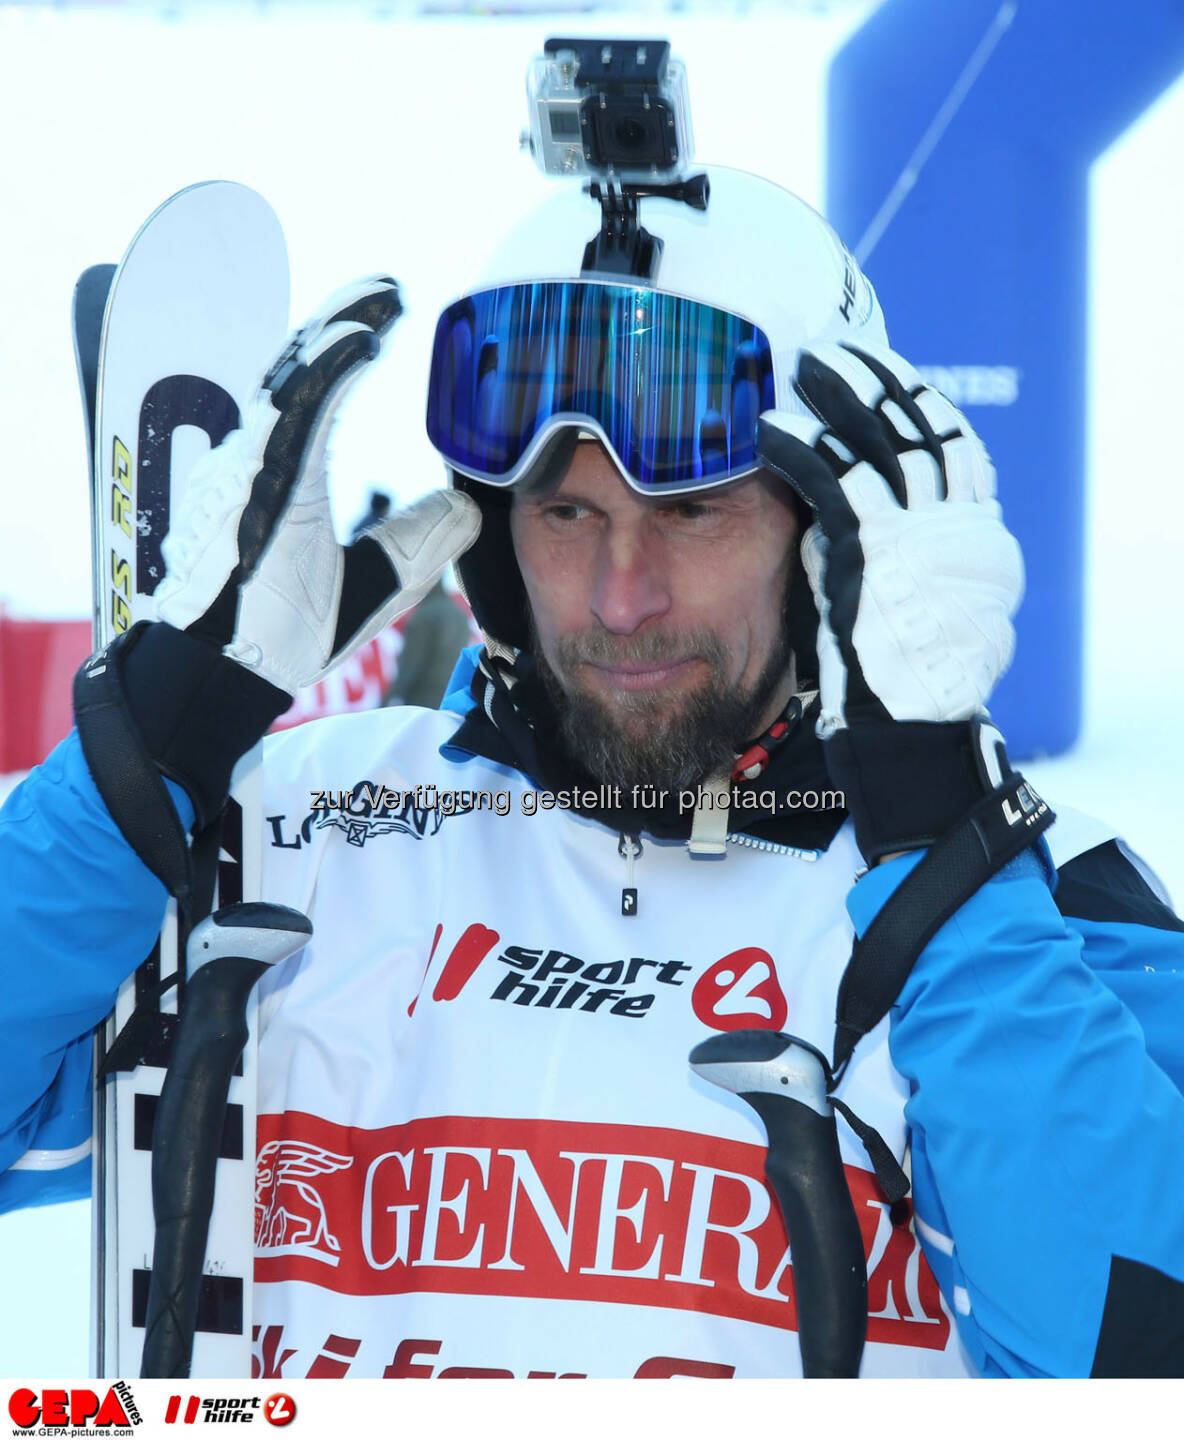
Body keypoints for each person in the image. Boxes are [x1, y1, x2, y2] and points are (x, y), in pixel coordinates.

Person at [1, 165, 1183, 1381]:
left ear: (828, 536)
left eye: (693, 511)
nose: (623, 599)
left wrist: (942, 854)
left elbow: (1131, 1370)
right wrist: (148, 749)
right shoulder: (295, 831)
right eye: (565, 518)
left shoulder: (1037, 913)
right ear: (493, 537)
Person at [382, 577, 473, 710]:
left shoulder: (423, 617)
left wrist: (385, 701)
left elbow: (410, 665)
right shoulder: (460, 615)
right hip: (454, 698)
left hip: (423, 700)